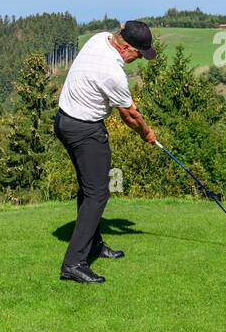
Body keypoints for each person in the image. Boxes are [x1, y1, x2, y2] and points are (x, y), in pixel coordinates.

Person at [54, 20, 158, 284]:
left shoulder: (100, 38)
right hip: (85, 130)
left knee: (88, 189)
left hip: (64, 121)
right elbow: (130, 116)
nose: (140, 59)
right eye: (139, 54)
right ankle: (73, 263)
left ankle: (93, 245)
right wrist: (147, 133)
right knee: (98, 194)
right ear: (125, 47)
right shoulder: (113, 72)